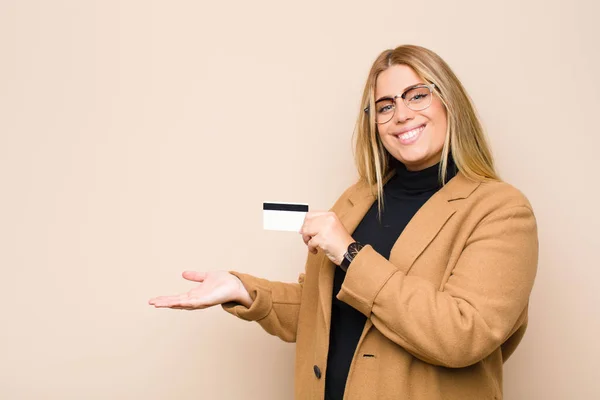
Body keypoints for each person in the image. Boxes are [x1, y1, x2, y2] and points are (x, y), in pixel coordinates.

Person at [148, 44, 538, 400]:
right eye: (385, 106)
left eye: (417, 95)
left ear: (449, 102)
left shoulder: (500, 209)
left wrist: (351, 254)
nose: (401, 114)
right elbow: (321, 309)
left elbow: (462, 335)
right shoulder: (359, 199)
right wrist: (245, 291)